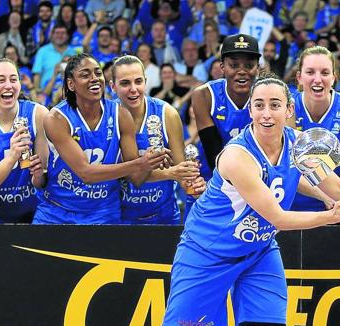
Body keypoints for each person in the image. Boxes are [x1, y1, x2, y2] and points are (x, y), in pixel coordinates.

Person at [133, 75, 340, 326]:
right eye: (260, 106)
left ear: (289, 110)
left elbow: (331, 184)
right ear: (250, 111)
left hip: (259, 249)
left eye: (275, 105)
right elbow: (279, 218)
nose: (267, 113)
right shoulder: (237, 156)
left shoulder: (297, 144)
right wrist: (330, 216)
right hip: (208, 251)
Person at [33, 53, 170, 224]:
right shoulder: (56, 118)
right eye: (85, 75)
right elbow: (86, 173)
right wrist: (141, 163)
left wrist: (152, 161)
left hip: (103, 212)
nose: (94, 78)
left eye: (98, 73)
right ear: (71, 84)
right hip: (57, 210)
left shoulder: (121, 115)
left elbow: (135, 177)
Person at [110, 55, 205, 224]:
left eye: (138, 81)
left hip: (164, 216)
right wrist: (169, 173)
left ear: (146, 82)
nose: (133, 89)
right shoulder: (107, 117)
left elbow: (180, 170)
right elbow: (128, 175)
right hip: (120, 217)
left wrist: (193, 185)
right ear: (113, 86)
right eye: (125, 83)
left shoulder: (167, 113)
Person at [188, 33, 260, 217]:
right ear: (222, 67)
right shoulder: (204, 95)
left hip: (257, 180)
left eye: (249, 65)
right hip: (213, 179)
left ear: (257, 68)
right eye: (234, 65)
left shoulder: (266, 95)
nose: (242, 71)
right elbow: (214, 152)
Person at [290, 46, 340, 211]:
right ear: (299, 78)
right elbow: (288, 169)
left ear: (333, 78)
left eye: (324, 73)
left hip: (335, 202)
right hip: (292, 203)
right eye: (310, 72)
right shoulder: (289, 107)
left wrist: (338, 198)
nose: (318, 79)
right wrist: (322, 195)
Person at [0, 58, 49, 223]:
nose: (8, 85)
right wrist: (12, 156)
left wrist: (39, 174)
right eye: (0, 80)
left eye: (13, 79)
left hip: (33, 210)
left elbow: (41, 182)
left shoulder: (38, 114)